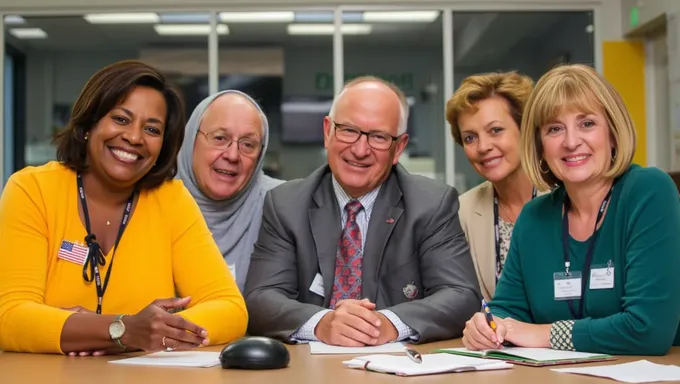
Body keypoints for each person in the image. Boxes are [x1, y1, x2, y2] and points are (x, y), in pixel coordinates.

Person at [0, 60, 248, 355]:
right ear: (89, 124)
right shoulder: (32, 190)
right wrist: (123, 330)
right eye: (120, 119)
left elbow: (231, 310)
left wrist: (147, 331)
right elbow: (10, 317)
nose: (134, 137)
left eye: (152, 129)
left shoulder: (171, 200)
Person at [244, 76, 481, 347]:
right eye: (348, 130)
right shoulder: (285, 203)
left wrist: (388, 323)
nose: (359, 150)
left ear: (399, 148)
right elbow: (261, 297)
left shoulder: (432, 204)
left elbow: (461, 295)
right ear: (327, 132)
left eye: (378, 137)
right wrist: (322, 323)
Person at [461, 64, 680, 355]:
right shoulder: (534, 216)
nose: (571, 141)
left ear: (613, 133)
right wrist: (487, 328)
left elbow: (647, 329)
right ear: (539, 146)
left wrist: (543, 333)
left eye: (587, 123)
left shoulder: (648, 191)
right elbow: (506, 314)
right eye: (554, 129)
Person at [446, 71, 541, 300]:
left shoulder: (568, 199)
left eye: (495, 130)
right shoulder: (462, 211)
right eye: (470, 137)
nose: (483, 146)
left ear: (525, 129)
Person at [177, 90, 284, 291]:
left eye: (247, 144)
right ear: (191, 139)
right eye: (219, 138)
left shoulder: (282, 206)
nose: (233, 155)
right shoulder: (150, 201)